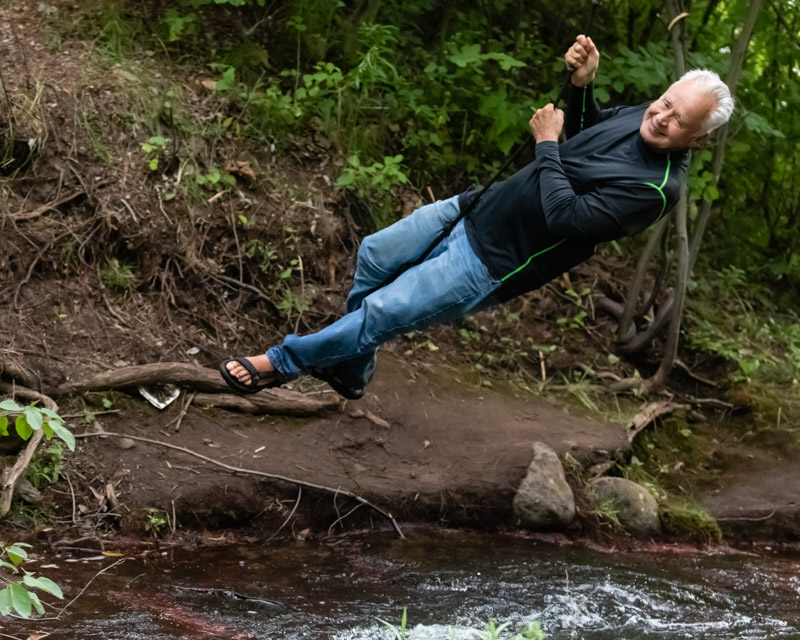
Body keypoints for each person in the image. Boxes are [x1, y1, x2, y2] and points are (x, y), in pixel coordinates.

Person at [219, 35, 734, 399]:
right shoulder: (645, 115)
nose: (660, 117)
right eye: (664, 103)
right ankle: (352, 370)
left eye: (676, 119)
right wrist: (582, 84)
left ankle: (281, 363)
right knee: (375, 254)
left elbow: (566, 216)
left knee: (381, 314)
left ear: (699, 137)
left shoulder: (656, 189)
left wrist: (546, 145)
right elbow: (589, 134)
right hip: (475, 207)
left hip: (491, 262)